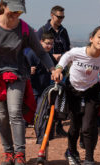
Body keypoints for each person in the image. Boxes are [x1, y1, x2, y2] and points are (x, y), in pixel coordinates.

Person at [0, 1, 55, 165]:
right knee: (2, 115)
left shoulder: (24, 29)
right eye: (13, 10)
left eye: (19, 12)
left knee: (15, 112)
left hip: (16, 73)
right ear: (4, 6)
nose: (15, 14)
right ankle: (9, 153)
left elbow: (40, 52)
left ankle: (20, 154)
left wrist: (53, 69)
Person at [52, 26, 100, 165]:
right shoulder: (77, 52)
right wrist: (58, 69)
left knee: (88, 126)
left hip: (92, 91)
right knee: (75, 126)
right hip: (73, 90)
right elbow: (66, 57)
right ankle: (71, 152)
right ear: (91, 38)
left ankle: (89, 159)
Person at [36, 5, 71, 137]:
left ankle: (59, 125)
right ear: (52, 15)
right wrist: (51, 56)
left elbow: (67, 48)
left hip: (61, 68)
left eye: (63, 17)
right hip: (47, 69)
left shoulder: (64, 31)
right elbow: (37, 48)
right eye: (59, 17)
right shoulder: (43, 30)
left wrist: (63, 56)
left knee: (60, 96)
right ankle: (45, 126)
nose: (61, 19)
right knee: (47, 96)